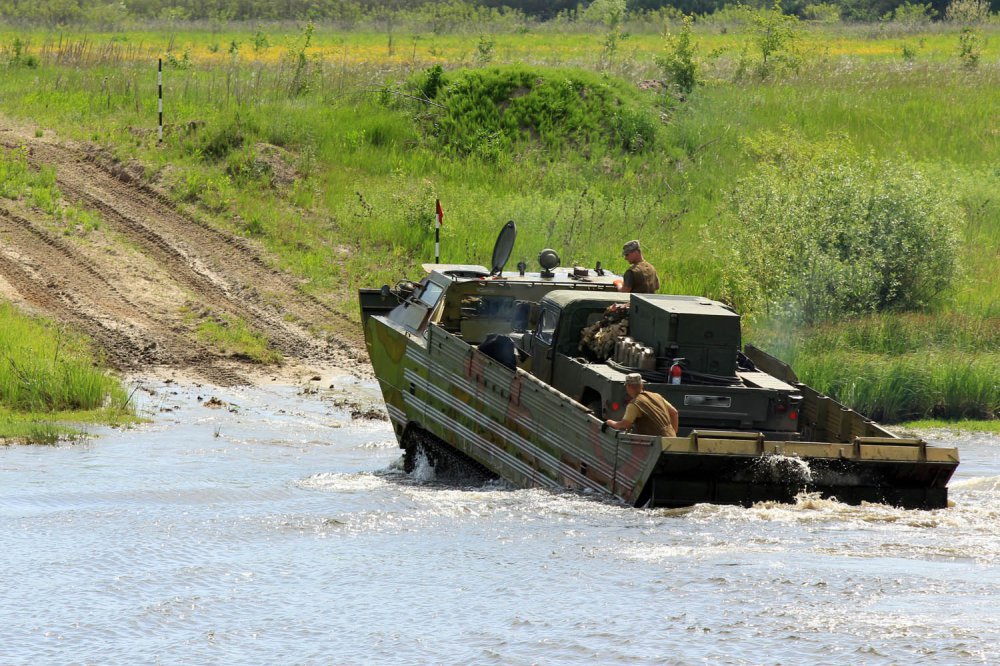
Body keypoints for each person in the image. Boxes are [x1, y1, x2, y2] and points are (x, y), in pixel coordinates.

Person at [605, 373, 679, 437]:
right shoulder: (657, 396)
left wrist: (610, 422)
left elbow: (625, 425)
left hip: (655, 445)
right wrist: (672, 435)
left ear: (628, 387)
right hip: (671, 441)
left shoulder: (634, 404)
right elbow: (674, 412)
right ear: (641, 385)